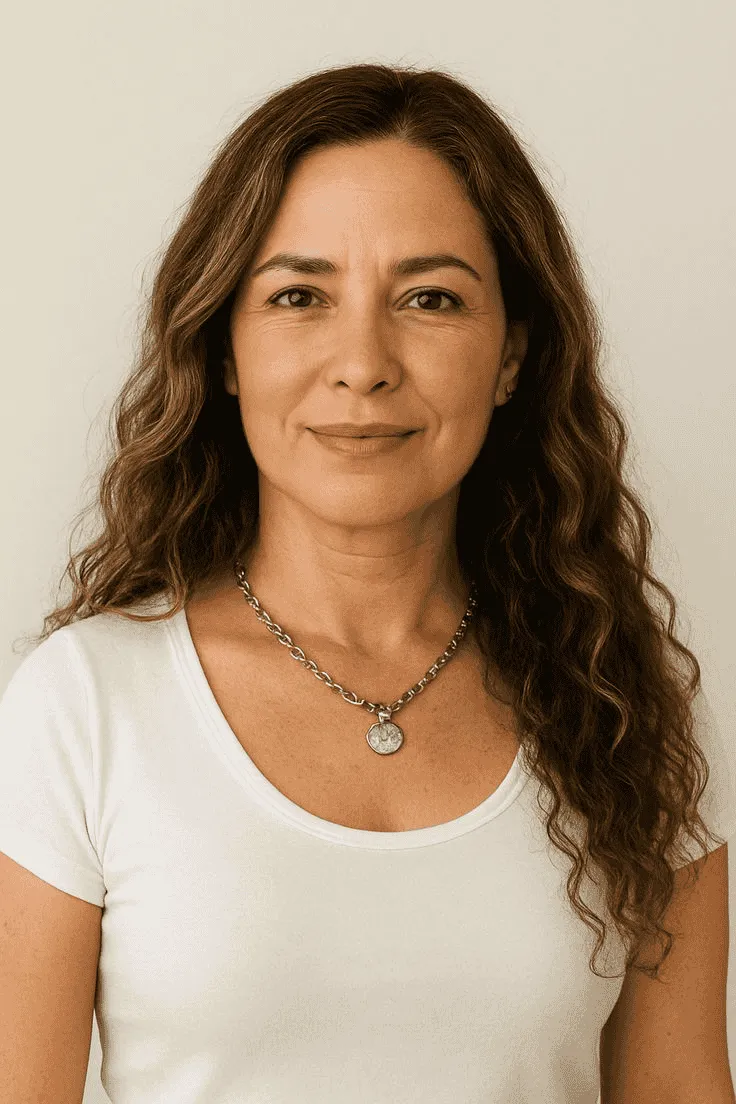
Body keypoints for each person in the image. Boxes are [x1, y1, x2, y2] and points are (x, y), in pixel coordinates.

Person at [1, 63, 735, 1104]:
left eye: (429, 299)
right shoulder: (86, 706)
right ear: (223, 350)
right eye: (299, 296)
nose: (363, 361)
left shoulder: (626, 706)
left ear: (512, 355)